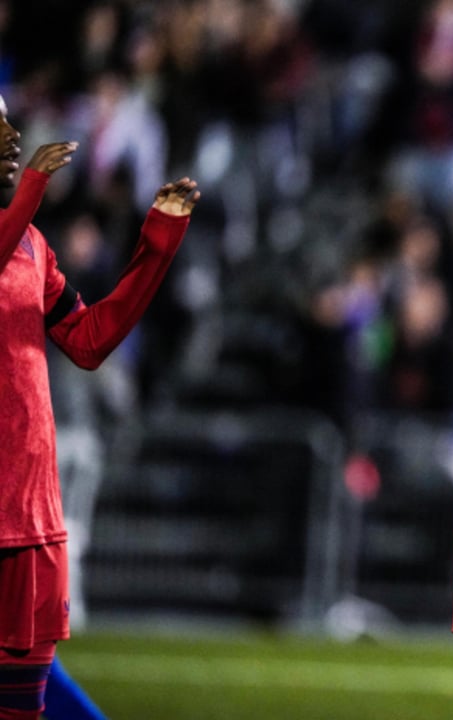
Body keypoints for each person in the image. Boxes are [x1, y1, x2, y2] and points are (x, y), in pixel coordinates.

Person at [0, 91, 199, 720]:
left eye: (8, 123)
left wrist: (157, 244)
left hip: (32, 517)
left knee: (22, 709)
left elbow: (88, 342)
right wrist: (32, 188)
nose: (11, 138)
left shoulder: (32, 245)